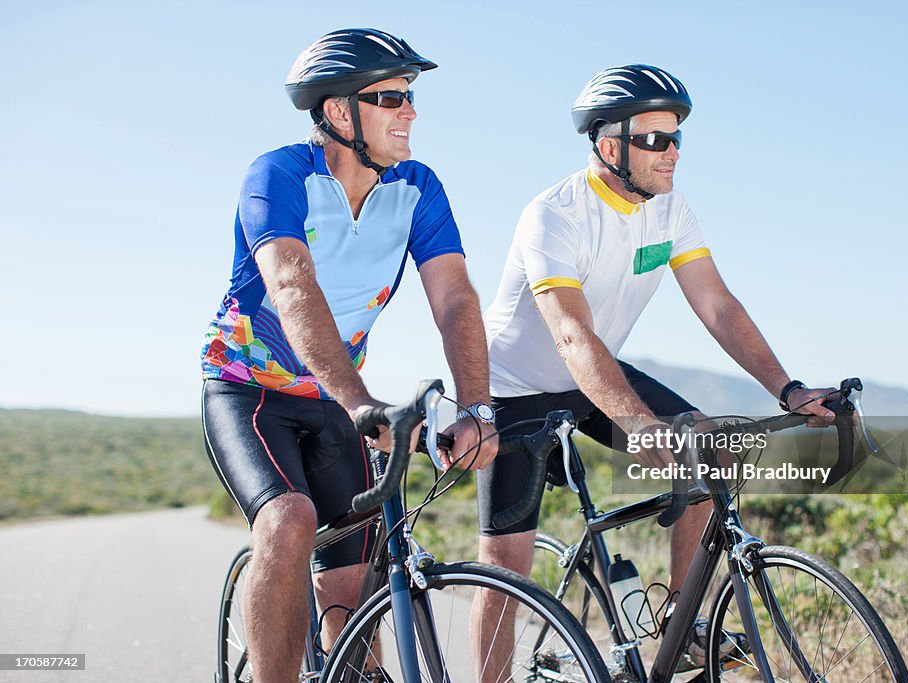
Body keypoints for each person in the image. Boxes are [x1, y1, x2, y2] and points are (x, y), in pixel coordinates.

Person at [471, 63, 836, 671]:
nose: (671, 153)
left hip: (593, 375)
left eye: (676, 139)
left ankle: (681, 623)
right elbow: (570, 333)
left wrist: (788, 389)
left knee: (706, 447)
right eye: (654, 140)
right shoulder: (554, 215)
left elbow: (717, 305)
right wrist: (640, 427)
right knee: (506, 561)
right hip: (515, 389)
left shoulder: (670, 210)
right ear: (609, 145)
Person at [200, 28, 497, 682]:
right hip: (250, 391)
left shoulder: (418, 188)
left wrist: (477, 407)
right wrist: (363, 400)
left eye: (410, 97)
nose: (410, 111)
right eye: (391, 97)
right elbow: (292, 287)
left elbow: (454, 298)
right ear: (338, 113)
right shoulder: (278, 175)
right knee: (288, 521)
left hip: (336, 399)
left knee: (353, 593)